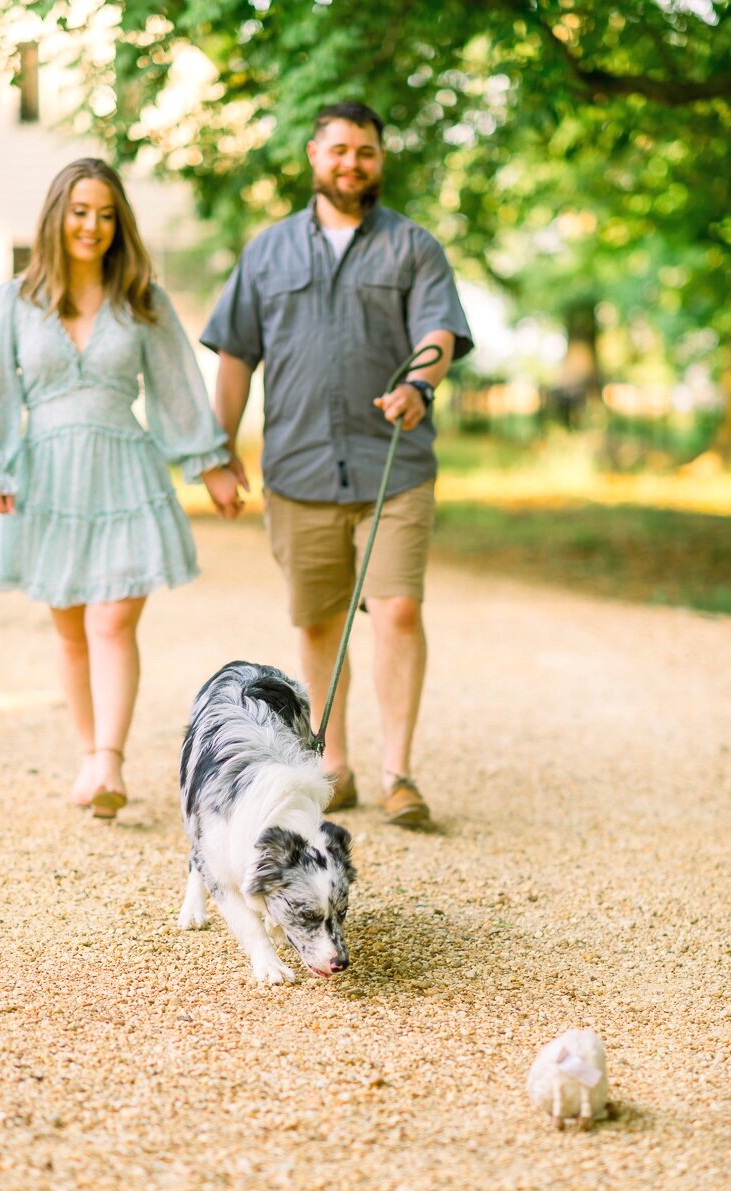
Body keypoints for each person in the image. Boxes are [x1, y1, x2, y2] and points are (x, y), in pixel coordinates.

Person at [201, 101, 473, 828]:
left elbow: (437, 331)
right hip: (297, 467)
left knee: (397, 607)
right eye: (339, 150)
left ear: (381, 161)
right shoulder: (266, 251)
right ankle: (334, 765)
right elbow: (234, 356)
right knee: (319, 622)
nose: (352, 162)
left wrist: (419, 384)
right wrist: (219, 452)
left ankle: (399, 773)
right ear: (314, 156)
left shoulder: (413, 247)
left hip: (393, 462)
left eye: (366, 152)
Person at [0, 158, 242, 818]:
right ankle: (89, 756)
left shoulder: (142, 298)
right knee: (69, 629)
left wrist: (210, 463)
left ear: (121, 224)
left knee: (113, 620)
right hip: (48, 478)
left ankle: (109, 760)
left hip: (123, 471)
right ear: (58, 214)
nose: (92, 225)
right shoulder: (14, 301)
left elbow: (177, 387)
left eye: (107, 214)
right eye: (81, 210)